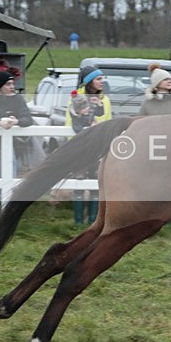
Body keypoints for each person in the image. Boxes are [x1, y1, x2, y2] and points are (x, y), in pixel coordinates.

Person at [0, 71, 33, 219]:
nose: (12, 87)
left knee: (10, 183)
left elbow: (28, 118)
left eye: (13, 84)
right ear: (0, 86)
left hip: (9, 149)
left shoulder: (17, 99)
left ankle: (7, 216)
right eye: (8, 84)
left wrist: (17, 122)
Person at [67, 65, 111, 225]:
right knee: (79, 181)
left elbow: (108, 121)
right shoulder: (76, 98)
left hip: (98, 147)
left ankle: (94, 219)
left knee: (96, 182)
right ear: (89, 81)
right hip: (81, 147)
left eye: (102, 78)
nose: (102, 81)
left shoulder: (104, 100)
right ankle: (78, 221)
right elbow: (70, 122)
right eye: (99, 79)